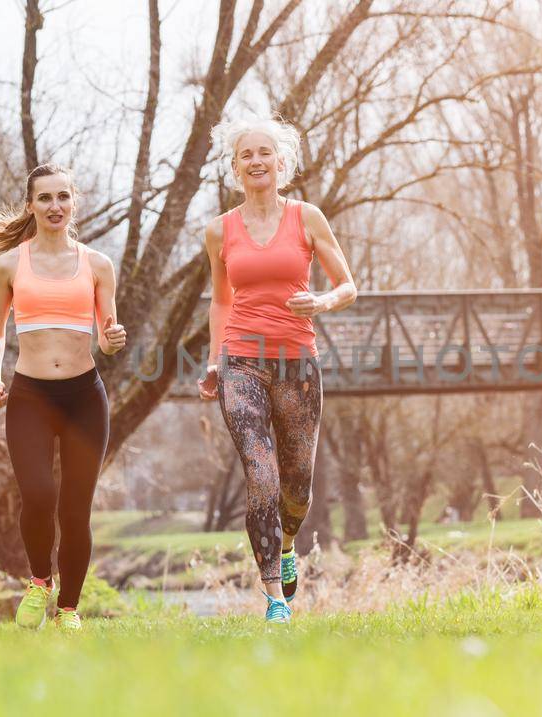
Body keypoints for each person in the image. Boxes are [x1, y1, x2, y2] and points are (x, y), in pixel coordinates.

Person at [0, 164, 125, 633]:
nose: (55, 206)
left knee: (75, 508)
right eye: (44, 198)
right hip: (29, 395)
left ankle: (68, 609)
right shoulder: (10, 264)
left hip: (85, 396)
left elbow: (106, 336)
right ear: (31, 205)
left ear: (74, 203)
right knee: (39, 494)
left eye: (63, 197)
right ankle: (39, 582)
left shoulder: (98, 265)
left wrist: (112, 339)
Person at [198, 116, 357, 624]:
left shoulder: (307, 218)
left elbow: (348, 284)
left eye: (265, 152)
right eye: (246, 155)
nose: (257, 161)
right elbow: (221, 301)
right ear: (235, 168)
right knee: (260, 473)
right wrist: (213, 359)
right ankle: (274, 598)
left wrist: (323, 301)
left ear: (281, 162)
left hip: (297, 363)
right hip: (241, 360)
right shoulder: (219, 230)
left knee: (297, 485)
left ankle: (287, 543)